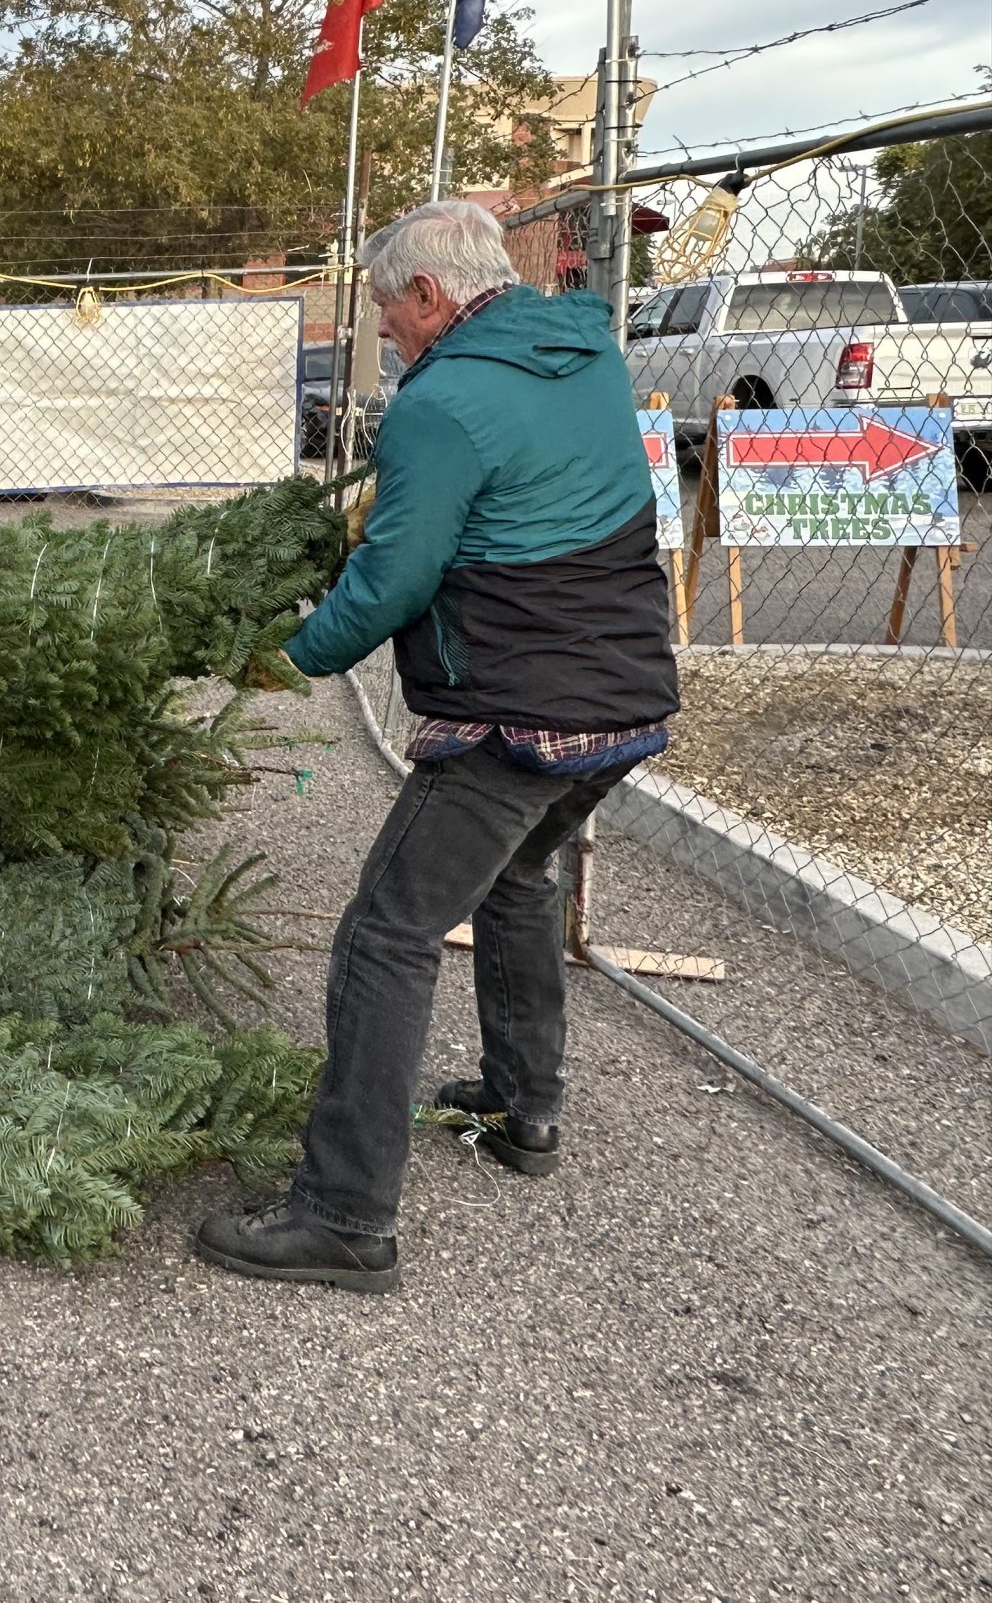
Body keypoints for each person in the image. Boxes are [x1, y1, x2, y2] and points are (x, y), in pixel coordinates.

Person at [195, 200, 678, 1294]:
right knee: (516, 882)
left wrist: (287, 657)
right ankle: (523, 1111)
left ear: (427, 295)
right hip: (628, 699)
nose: (384, 330)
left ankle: (344, 1214)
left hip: (519, 711)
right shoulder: (584, 351)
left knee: (385, 932)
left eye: (384, 309)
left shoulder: (438, 403)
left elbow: (395, 581)